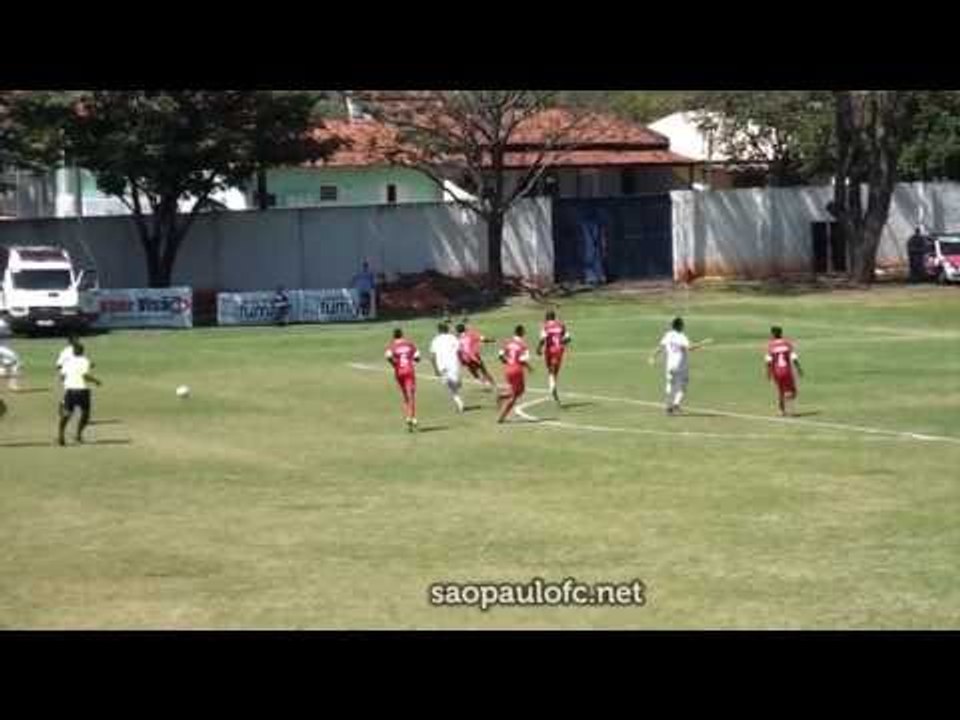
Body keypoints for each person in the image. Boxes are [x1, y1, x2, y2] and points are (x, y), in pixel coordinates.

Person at [649, 317, 710, 415]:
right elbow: (690, 348)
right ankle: (676, 405)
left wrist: (652, 356)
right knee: (683, 385)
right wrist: (702, 343)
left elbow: (661, 347)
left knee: (670, 385)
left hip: (670, 365)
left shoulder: (668, 335)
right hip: (680, 365)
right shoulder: (681, 336)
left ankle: (668, 407)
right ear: (680, 325)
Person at [58, 342, 102, 446]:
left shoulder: (67, 362)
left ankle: (61, 435)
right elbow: (85, 376)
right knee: (85, 414)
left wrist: (67, 383)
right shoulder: (85, 361)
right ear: (83, 351)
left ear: (73, 351)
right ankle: (78, 435)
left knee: (67, 414)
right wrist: (96, 381)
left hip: (70, 390)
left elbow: (62, 376)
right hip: (82, 390)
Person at [496, 325, 534, 424]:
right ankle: (501, 417)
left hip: (508, 370)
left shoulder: (508, 342)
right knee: (516, 395)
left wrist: (507, 363)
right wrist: (529, 367)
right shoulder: (523, 345)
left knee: (520, 391)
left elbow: (500, 355)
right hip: (517, 370)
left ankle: (502, 396)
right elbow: (522, 360)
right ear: (521, 332)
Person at [385, 327, 420, 432]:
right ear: (402, 334)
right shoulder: (409, 344)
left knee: (405, 395)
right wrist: (414, 360)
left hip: (399, 372)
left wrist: (394, 364)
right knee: (411, 396)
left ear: (394, 336)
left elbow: (388, 356)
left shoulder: (392, 346)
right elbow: (418, 357)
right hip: (409, 371)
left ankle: (409, 419)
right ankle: (411, 417)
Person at [766, 326, 804, 417]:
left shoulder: (771, 345)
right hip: (786, 370)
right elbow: (793, 357)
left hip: (776, 371)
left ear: (773, 334)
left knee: (780, 391)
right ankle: (791, 411)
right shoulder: (787, 343)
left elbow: (768, 360)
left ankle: (781, 411)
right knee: (792, 391)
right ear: (781, 333)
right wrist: (799, 368)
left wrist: (768, 373)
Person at [536, 309, 571, 405]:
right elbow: (568, 338)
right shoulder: (561, 325)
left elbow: (543, 338)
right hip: (559, 350)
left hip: (549, 349)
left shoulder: (545, 326)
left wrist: (538, 348)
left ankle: (552, 387)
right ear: (554, 317)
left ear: (547, 317)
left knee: (550, 371)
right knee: (555, 370)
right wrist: (561, 343)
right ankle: (553, 387)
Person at [430, 322, 465, 413]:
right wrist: (462, 360)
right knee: (455, 385)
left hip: (442, 365)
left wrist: (435, 369)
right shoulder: (453, 338)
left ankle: (450, 382)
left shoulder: (435, 340)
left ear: (439, 330)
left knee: (453, 386)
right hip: (454, 364)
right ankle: (459, 403)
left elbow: (432, 356)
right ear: (447, 329)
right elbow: (460, 351)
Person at [456, 319, 496, 390]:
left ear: (457, 331)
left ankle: (482, 382)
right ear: (465, 329)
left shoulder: (457, 339)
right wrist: (492, 340)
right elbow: (482, 339)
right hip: (474, 356)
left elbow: (458, 351)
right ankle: (493, 384)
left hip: (466, 358)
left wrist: (461, 360)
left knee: (473, 371)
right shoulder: (471, 334)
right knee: (483, 370)